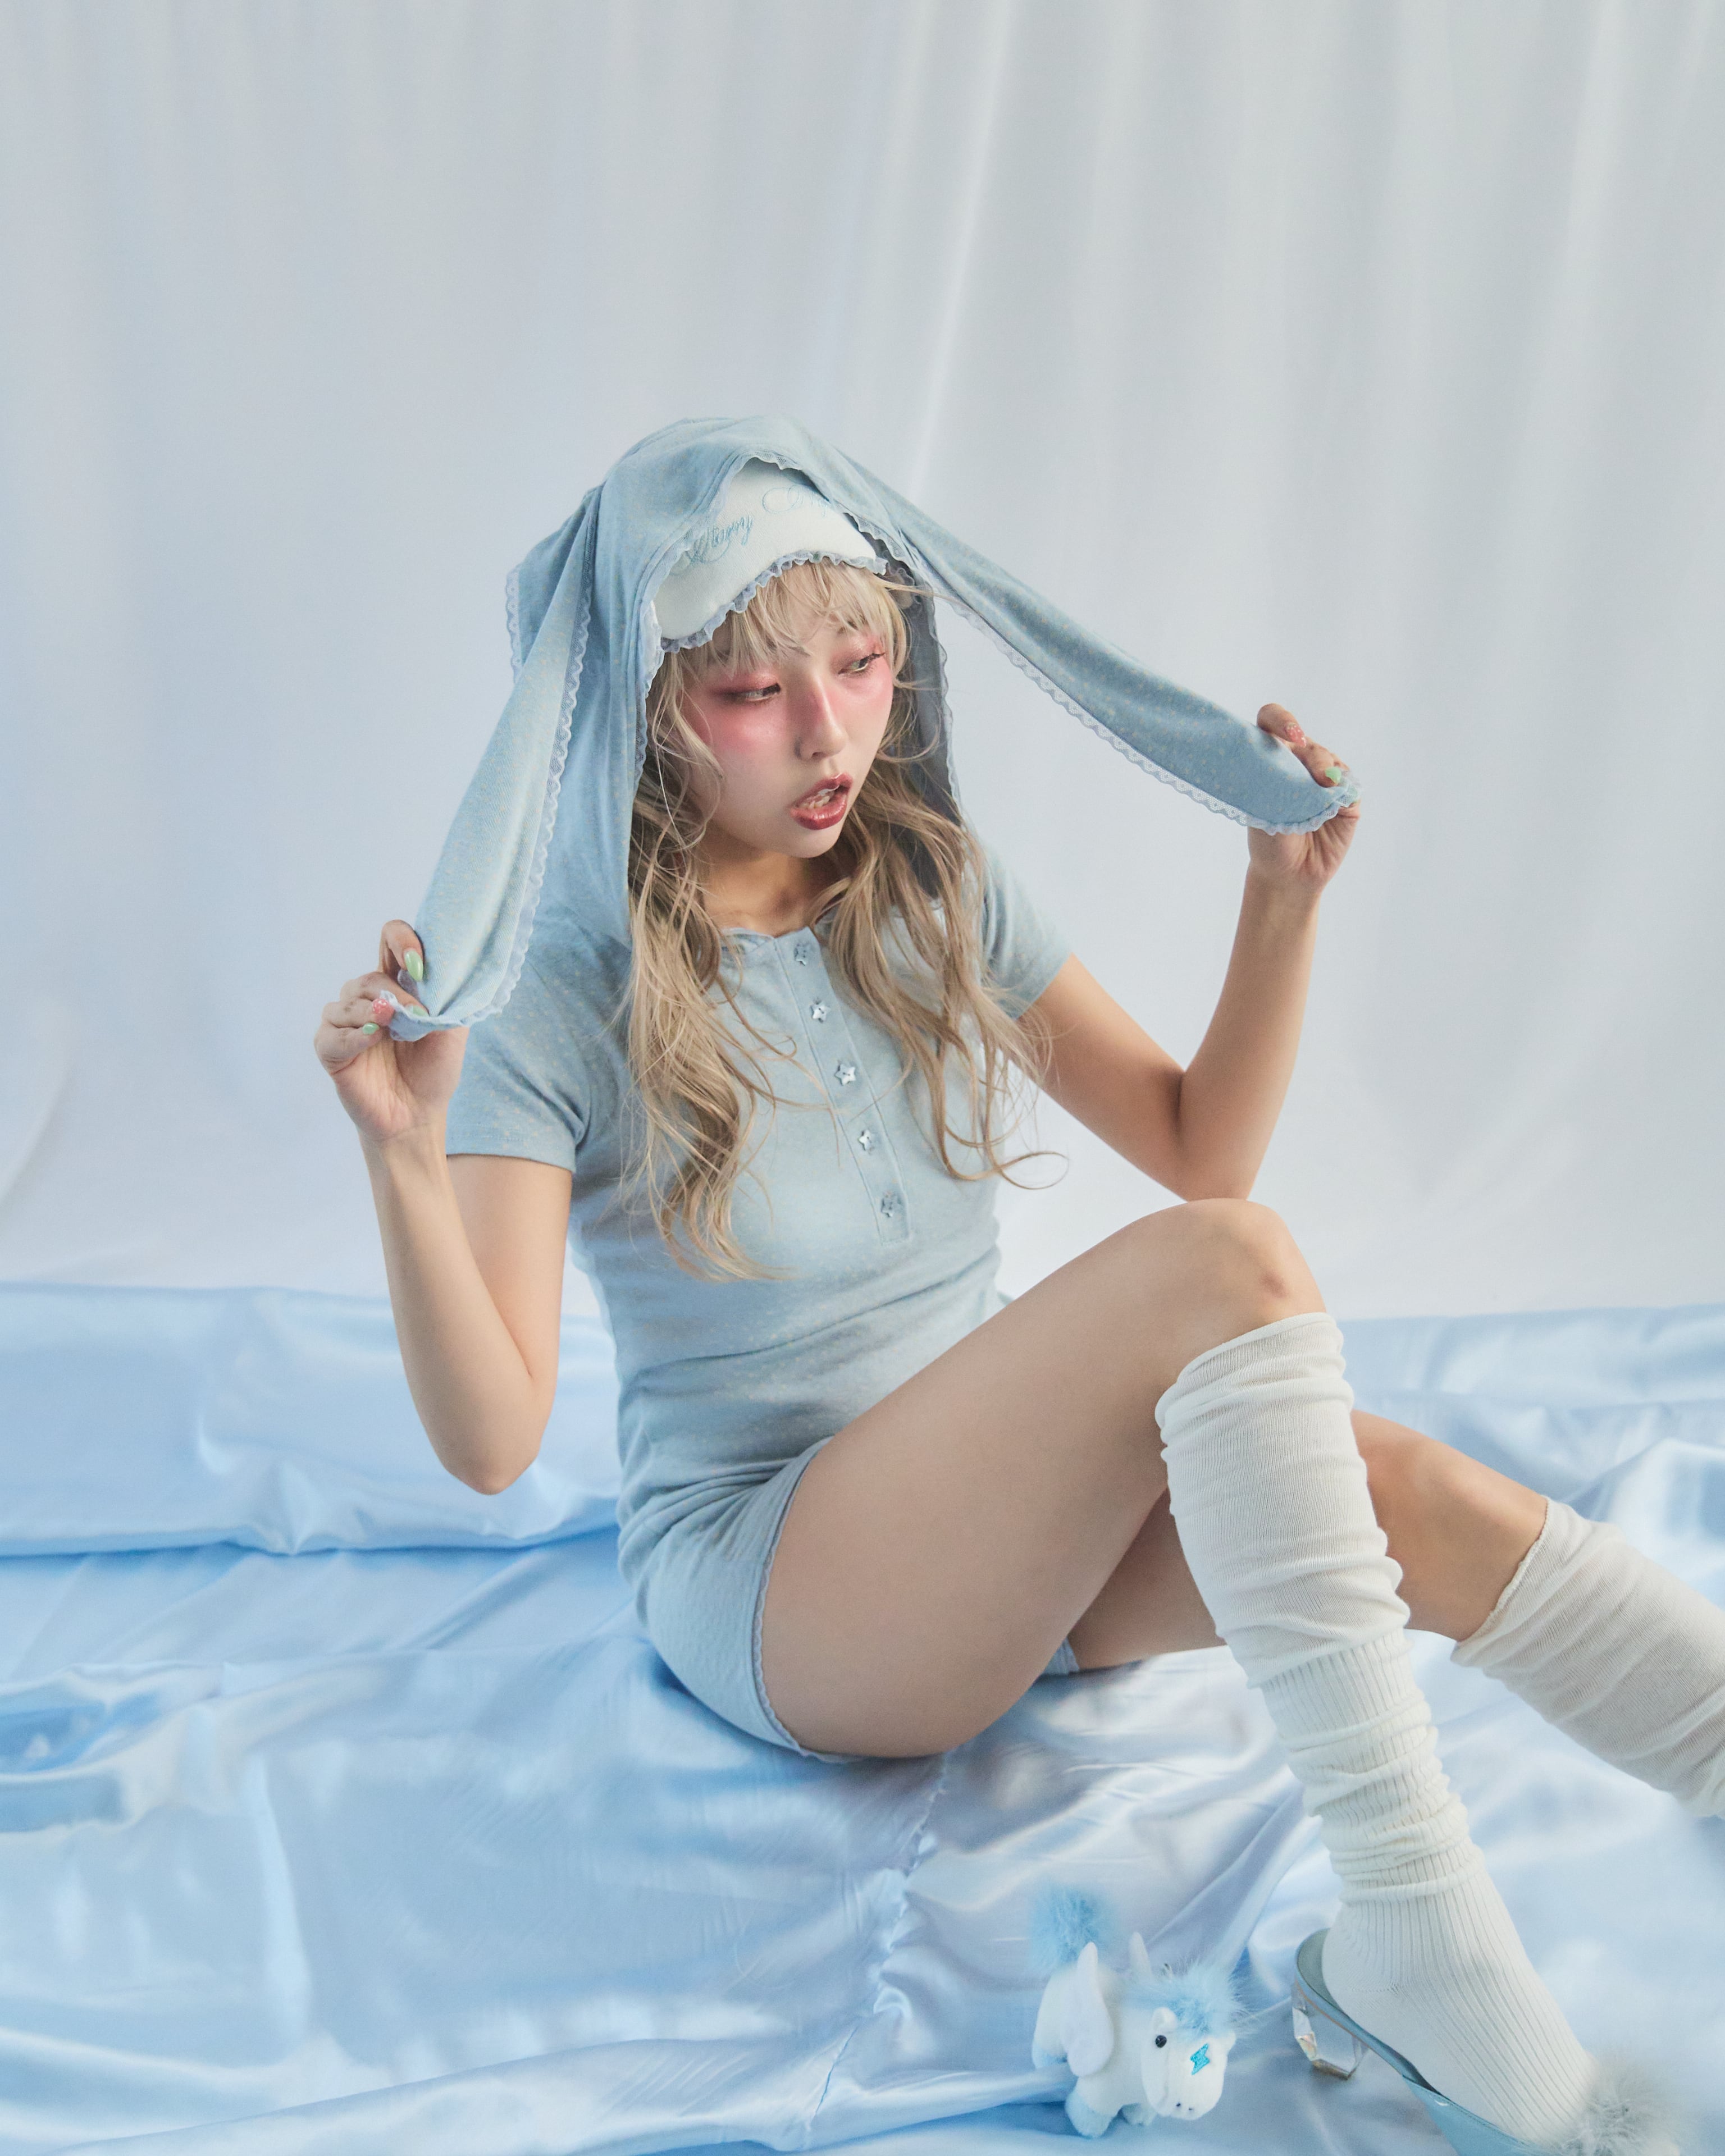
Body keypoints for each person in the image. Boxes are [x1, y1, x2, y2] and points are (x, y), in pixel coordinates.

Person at [314, 436, 1702, 2155]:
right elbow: (492, 1441)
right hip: (778, 1587)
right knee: (1229, 1272)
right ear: (654, 708)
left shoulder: (927, 883)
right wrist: (403, 1155)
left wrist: (1279, 901)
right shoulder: (553, 993)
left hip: (990, 1536)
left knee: (1396, 1487)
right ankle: (1421, 1937)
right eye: (752, 692)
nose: (830, 733)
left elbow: (1197, 1144)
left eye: (861, 664)